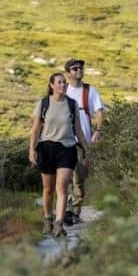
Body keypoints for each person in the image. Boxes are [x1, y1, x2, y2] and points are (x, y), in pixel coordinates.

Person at [29, 72, 88, 237]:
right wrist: (31, 150)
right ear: (52, 85)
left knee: (61, 187)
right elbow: (35, 130)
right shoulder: (43, 103)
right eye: (59, 83)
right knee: (48, 189)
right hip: (46, 148)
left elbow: (78, 130)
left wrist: (86, 150)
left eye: (64, 83)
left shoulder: (72, 104)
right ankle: (48, 218)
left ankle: (58, 223)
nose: (63, 85)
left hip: (67, 149)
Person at [63, 58, 104, 225]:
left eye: (80, 68)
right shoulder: (62, 90)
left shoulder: (90, 91)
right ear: (68, 72)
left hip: (82, 141)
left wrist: (98, 130)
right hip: (63, 140)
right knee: (64, 177)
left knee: (79, 177)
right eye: (74, 69)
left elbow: (99, 112)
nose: (78, 71)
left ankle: (75, 210)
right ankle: (65, 210)